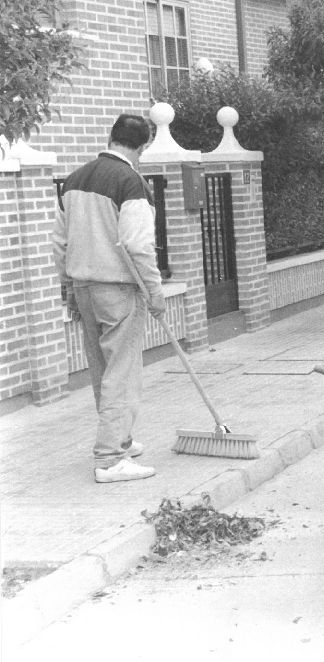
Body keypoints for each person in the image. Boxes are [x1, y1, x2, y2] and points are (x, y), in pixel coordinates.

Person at [52, 114, 162, 483]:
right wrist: (155, 291)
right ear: (143, 146)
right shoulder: (131, 182)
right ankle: (111, 458)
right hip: (117, 289)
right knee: (123, 373)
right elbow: (137, 245)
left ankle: (121, 441)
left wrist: (68, 288)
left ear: (111, 137)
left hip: (84, 287)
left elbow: (60, 244)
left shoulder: (74, 179)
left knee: (102, 370)